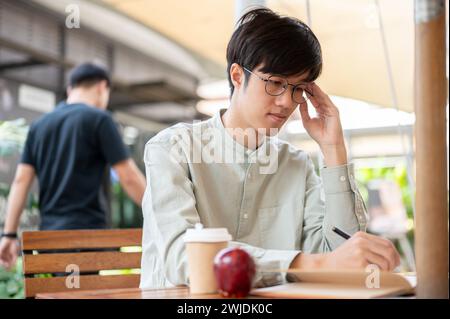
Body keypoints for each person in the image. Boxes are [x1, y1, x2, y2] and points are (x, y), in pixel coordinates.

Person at [139, 8, 400, 289]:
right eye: (275, 83)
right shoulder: (172, 150)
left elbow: (338, 257)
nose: (287, 102)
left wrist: (333, 149)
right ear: (238, 76)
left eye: (298, 88)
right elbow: (185, 259)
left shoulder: (296, 164)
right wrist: (307, 265)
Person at [0, 63, 146, 269]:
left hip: (49, 237)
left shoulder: (40, 125)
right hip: (89, 236)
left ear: (70, 89)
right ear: (102, 87)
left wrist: (8, 234)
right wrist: (159, 210)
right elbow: (128, 177)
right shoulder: (100, 120)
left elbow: (21, 180)